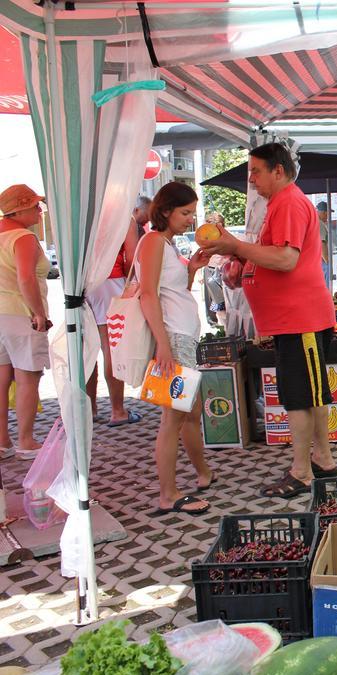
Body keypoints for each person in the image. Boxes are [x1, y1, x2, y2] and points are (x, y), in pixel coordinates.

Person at [198, 143, 337, 498]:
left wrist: (236, 247)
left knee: (298, 397)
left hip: (299, 317)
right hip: (293, 317)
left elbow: (286, 259)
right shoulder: (280, 203)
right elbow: (273, 255)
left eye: (256, 171)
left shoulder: (289, 201)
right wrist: (241, 259)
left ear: (278, 170)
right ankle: (322, 460)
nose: (251, 178)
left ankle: (302, 471)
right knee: (311, 392)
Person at [137, 182, 214, 515]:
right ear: (165, 210)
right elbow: (148, 295)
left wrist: (192, 270)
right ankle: (168, 493)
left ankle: (203, 473)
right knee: (173, 417)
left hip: (183, 338)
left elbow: (172, 293)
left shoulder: (166, 243)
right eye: (185, 213)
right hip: (175, 339)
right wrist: (163, 347)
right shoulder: (153, 241)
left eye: (192, 214)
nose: (190, 220)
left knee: (191, 412)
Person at [0, 185, 50, 457]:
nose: (40, 211)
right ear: (19, 208)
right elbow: (26, 278)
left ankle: (3, 440)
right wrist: (39, 313)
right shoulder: (23, 237)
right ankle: (26, 440)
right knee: (27, 377)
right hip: (21, 314)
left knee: (2, 378)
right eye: (34, 206)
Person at [86, 217, 141, 427]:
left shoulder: (81, 209)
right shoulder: (122, 215)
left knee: (87, 347)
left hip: (82, 283)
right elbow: (131, 256)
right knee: (111, 346)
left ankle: (89, 408)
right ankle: (117, 410)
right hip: (111, 280)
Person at [316, 201, 330, 286]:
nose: (328, 216)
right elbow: (322, 244)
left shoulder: (315, 222)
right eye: (327, 214)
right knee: (325, 286)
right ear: (324, 213)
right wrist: (328, 261)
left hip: (318, 261)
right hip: (322, 261)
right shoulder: (320, 224)